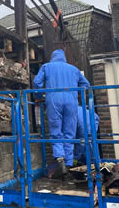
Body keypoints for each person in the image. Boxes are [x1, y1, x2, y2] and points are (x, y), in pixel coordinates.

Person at [33, 49, 90, 179]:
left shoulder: (46, 66)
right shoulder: (74, 69)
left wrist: (38, 96)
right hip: (71, 100)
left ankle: (60, 161)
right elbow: (86, 84)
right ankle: (69, 164)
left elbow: (37, 82)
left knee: (56, 131)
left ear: (53, 57)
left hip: (53, 99)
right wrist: (76, 94)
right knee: (69, 132)